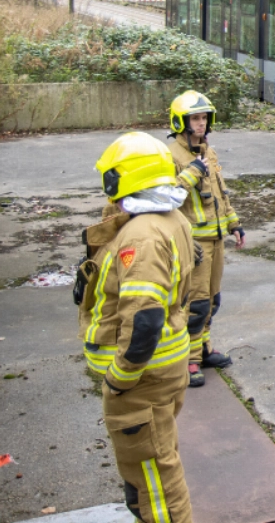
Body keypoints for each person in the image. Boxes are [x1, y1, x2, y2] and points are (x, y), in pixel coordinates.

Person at [84, 132, 195, 522]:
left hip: (140, 379)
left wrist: (119, 378)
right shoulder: (169, 217)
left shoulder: (142, 236)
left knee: (155, 483)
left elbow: (144, 321)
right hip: (163, 371)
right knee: (155, 462)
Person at [167, 90, 244, 389]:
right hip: (192, 243)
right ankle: (188, 360)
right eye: (194, 119)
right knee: (195, 303)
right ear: (181, 122)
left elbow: (220, 193)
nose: (200, 124)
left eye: (203, 118)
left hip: (215, 238)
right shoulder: (171, 155)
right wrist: (190, 173)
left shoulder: (207, 151)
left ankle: (203, 349)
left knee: (212, 299)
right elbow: (167, 198)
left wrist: (234, 223)